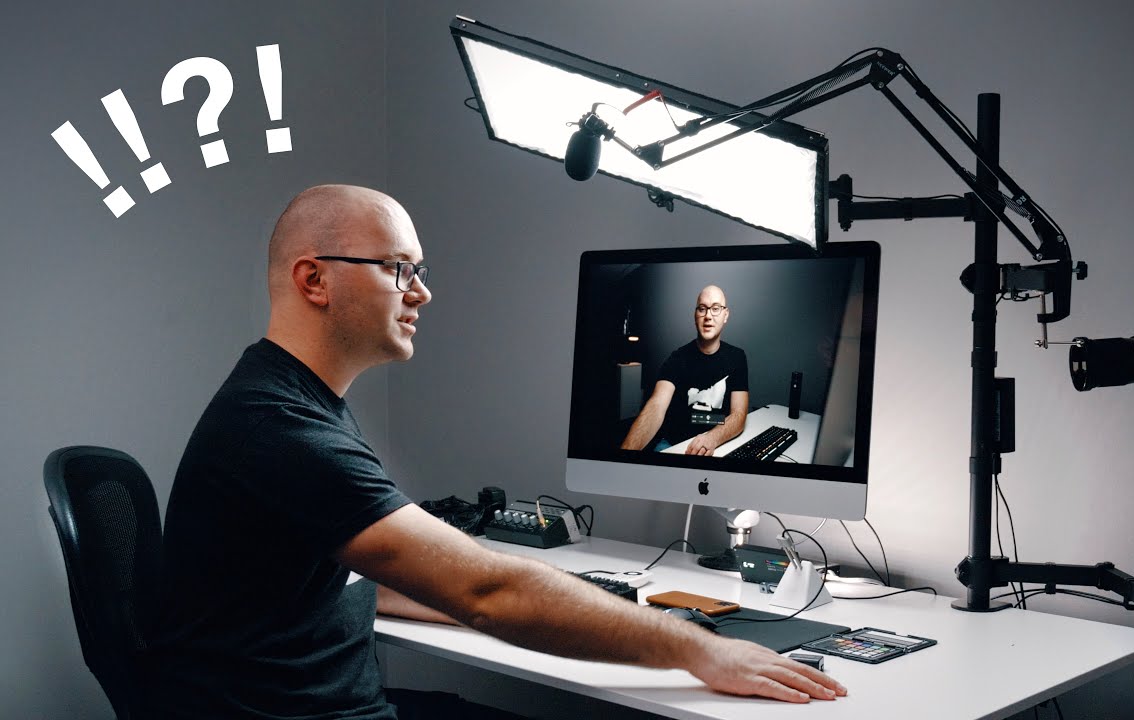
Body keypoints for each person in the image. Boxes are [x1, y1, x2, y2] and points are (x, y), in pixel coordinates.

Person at [142, 185, 844, 719]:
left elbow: (361, 580)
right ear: (314, 280)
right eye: (397, 268)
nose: (423, 291)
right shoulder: (283, 430)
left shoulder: (289, 400)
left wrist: (510, 598)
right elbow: (490, 591)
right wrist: (700, 647)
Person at [620, 286, 749, 455]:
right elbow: (656, 406)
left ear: (726, 315)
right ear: (695, 316)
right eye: (702, 309)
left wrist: (713, 438)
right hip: (675, 444)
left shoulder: (737, 357)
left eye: (716, 309)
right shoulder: (677, 358)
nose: (708, 316)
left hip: (718, 444)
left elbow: (739, 414)